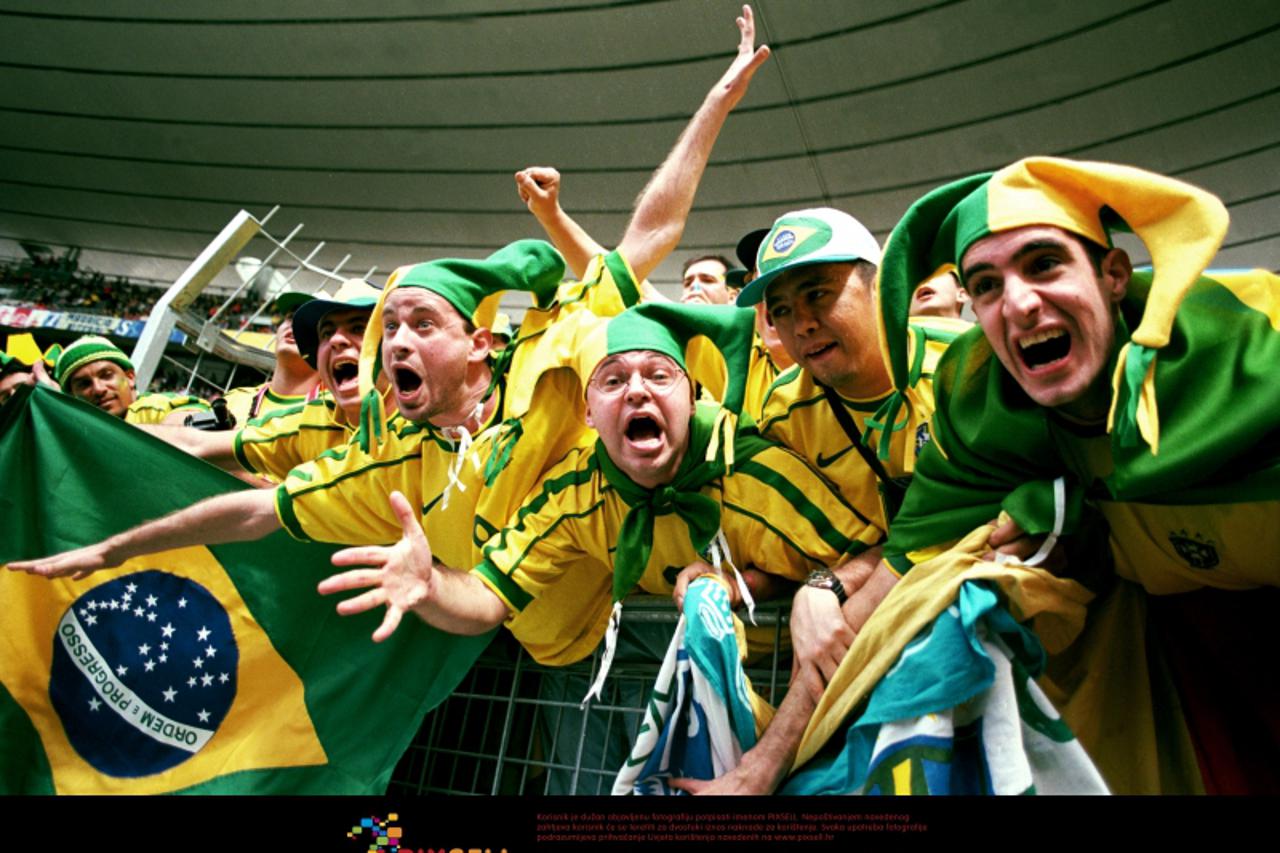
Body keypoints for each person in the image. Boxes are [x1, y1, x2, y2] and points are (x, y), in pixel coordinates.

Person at [865, 156, 1280, 793]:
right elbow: (897, 582)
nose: (1021, 304)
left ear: (1115, 275)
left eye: (1043, 263)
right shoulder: (984, 403)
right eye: (986, 284)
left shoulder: (1252, 344)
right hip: (1200, 665)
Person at [143, 278, 380, 483]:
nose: (338, 339)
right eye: (290, 318)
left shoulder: (332, 414)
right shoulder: (240, 399)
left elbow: (306, 506)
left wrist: (233, 472)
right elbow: (190, 435)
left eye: (358, 328)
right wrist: (186, 419)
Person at [53, 335, 211, 425]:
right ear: (72, 396)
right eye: (84, 384)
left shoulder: (157, 408)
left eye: (106, 375)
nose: (98, 389)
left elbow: (210, 420)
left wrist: (178, 429)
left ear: (129, 378)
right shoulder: (73, 429)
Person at [218, 290, 322, 425]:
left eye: (309, 322)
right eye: (291, 317)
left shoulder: (333, 414)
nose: (295, 325)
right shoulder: (234, 400)